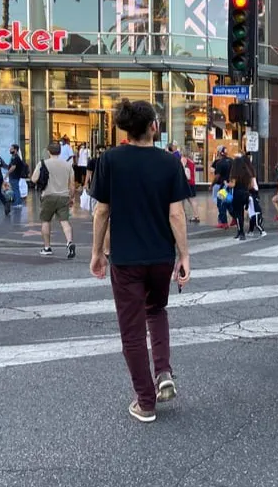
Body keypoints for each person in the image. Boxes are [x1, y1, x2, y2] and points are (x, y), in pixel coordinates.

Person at [89, 99, 191, 423]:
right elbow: (176, 215)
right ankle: (163, 371)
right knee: (157, 310)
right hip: (161, 257)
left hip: (126, 258)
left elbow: (101, 211)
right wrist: (184, 255)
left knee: (132, 332)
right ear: (154, 127)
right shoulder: (170, 162)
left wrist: (96, 253)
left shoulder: (110, 160)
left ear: (127, 130)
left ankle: (145, 402)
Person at [31, 142, 76, 257]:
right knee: (65, 221)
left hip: (48, 195)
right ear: (60, 152)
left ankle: (47, 247)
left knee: (46, 221)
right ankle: (69, 242)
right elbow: (72, 185)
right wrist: (71, 197)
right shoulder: (68, 165)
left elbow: (34, 179)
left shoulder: (42, 163)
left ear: (48, 151)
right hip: (63, 197)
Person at [229, 156, 252, 241]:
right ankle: (239, 232)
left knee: (238, 214)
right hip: (245, 193)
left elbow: (232, 185)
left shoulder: (235, 173)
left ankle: (241, 232)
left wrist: (227, 184)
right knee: (241, 213)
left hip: (237, 194)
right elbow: (250, 185)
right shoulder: (247, 173)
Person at [210, 146, 234, 229]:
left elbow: (217, 176)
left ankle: (224, 222)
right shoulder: (231, 160)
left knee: (220, 203)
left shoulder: (220, 163)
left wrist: (212, 185)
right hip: (230, 185)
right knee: (228, 202)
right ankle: (235, 217)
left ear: (219, 153)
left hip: (223, 185)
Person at [7, 144, 26, 208]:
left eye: (11, 149)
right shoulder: (14, 157)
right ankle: (17, 202)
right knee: (15, 189)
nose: (10, 150)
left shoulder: (16, 157)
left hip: (14, 176)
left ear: (15, 150)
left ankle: (17, 203)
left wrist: (7, 174)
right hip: (13, 176)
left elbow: (13, 167)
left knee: (16, 189)